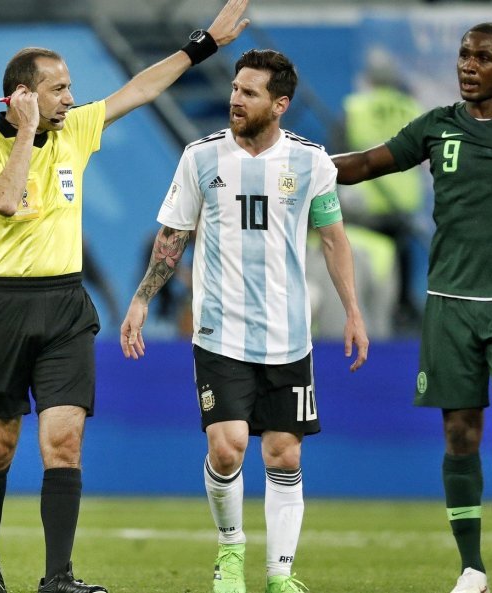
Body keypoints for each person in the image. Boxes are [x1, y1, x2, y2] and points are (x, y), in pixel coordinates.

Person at [0, 2, 249, 591]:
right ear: (23, 96)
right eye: (58, 89)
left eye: (70, 88)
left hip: (66, 304)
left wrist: (204, 45)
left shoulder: (77, 129)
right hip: (3, 306)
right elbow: (7, 199)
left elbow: (141, 88)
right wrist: (27, 131)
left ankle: (58, 577)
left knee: (64, 441)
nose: (71, 98)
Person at [331, 22, 492, 593]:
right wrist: (300, 163)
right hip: (450, 304)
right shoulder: (437, 126)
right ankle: (472, 567)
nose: (469, 66)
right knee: (460, 436)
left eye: (483, 58)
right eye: (464, 55)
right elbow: (369, 163)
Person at [121, 49, 368, 593]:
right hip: (220, 332)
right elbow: (173, 236)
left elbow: (333, 239)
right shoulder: (201, 157)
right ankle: (230, 549)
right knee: (228, 443)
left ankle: (280, 575)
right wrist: (141, 300)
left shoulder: (311, 162)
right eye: (235, 88)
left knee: (284, 452)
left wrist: (353, 310)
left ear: (280, 104)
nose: (235, 98)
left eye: (249, 92)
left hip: (288, 336)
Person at [340, 48, 426, 331]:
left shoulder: (356, 107)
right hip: (403, 202)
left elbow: (340, 155)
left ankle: (364, 314)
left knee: (366, 264)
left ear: (369, 79)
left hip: (367, 203)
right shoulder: (411, 107)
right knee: (399, 260)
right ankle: (401, 309)